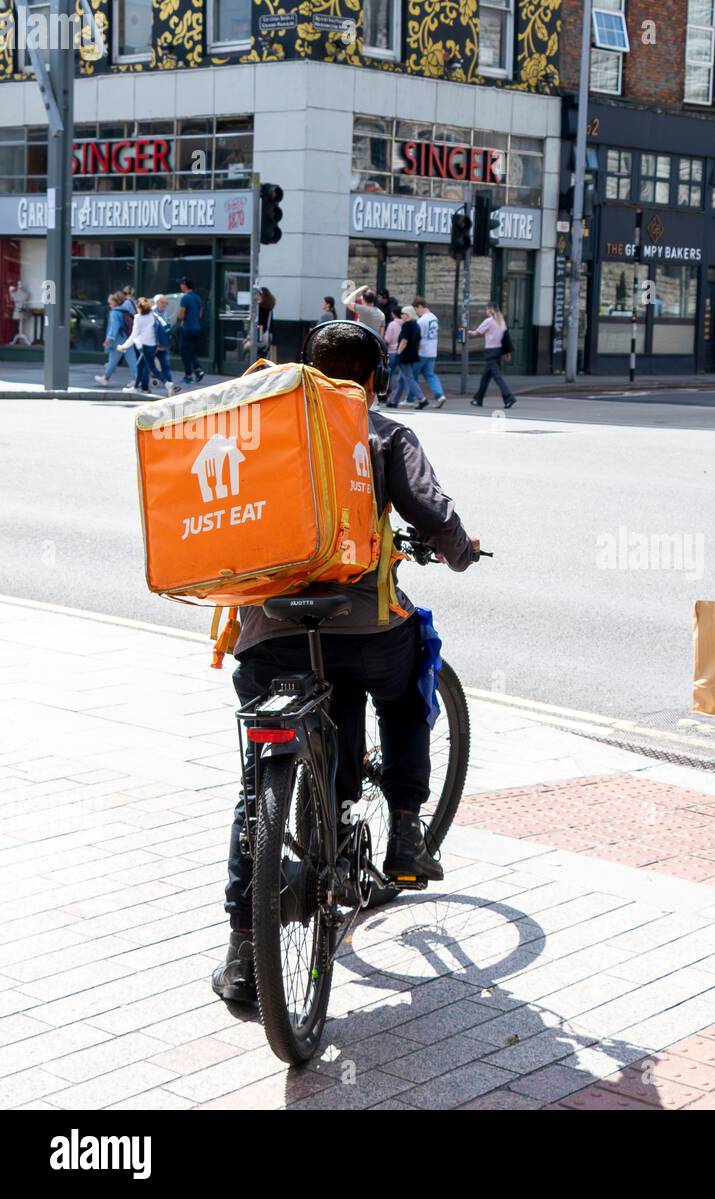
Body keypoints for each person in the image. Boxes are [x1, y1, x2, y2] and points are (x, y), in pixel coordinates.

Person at [211, 320, 481, 1005]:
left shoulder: (266, 426)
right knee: (407, 678)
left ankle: (245, 957)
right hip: (362, 630)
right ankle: (407, 835)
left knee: (255, 791)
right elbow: (430, 509)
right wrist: (458, 548)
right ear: (376, 378)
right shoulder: (384, 433)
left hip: (270, 631)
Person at [468, 304, 517, 409]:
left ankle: (509, 398)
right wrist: (506, 353)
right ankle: (478, 399)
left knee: (497, 377)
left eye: (486, 309)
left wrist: (468, 332)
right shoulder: (501, 321)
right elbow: (505, 339)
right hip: (498, 351)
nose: (486, 310)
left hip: (490, 352)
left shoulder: (489, 321)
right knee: (485, 377)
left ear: (490, 310)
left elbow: (477, 332)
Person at [117, 296, 167, 394]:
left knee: (150, 368)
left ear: (139, 308)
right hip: (153, 345)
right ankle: (141, 388)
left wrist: (123, 346)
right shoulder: (152, 315)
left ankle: (168, 383)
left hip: (146, 346)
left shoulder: (138, 318)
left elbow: (133, 335)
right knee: (142, 366)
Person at [94, 292, 138, 386]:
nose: (109, 304)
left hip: (117, 340)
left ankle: (106, 378)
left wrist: (109, 338)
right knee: (130, 359)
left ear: (115, 302)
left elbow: (114, 326)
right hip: (126, 338)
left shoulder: (114, 313)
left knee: (115, 360)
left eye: (110, 302)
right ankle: (106, 378)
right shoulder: (124, 311)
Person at [411, 298, 447, 410]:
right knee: (430, 375)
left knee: (411, 376)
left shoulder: (421, 321)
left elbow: (419, 338)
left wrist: (414, 351)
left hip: (422, 352)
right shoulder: (434, 318)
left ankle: (414, 398)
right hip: (432, 351)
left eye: (416, 309)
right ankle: (440, 395)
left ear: (420, 306)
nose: (416, 312)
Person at [394, 304, 425, 410]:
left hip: (405, 355)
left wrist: (398, 352)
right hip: (413, 354)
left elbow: (404, 340)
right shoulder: (416, 324)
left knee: (409, 378)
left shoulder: (406, 325)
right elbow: (420, 342)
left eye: (402, 314)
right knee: (401, 379)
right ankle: (394, 400)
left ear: (407, 315)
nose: (401, 315)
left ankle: (422, 398)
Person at [383, 303, 414, 408]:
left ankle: (387, 394)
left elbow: (387, 339)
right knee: (403, 377)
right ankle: (403, 398)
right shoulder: (406, 323)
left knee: (390, 375)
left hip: (393, 351)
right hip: (403, 352)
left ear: (393, 314)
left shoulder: (392, 324)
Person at [150, 294, 180, 397]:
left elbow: (166, 326)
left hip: (164, 343)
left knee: (165, 365)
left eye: (166, 303)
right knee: (147, 366)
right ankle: (142, 384)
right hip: (154, 344)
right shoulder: (152, 313)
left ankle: (170, 385)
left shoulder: (165, 312)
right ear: (157, 303)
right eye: (163, 303)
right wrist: (156, 341)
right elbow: (152, 329)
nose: (165, 305)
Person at [177, 276, 204, 383]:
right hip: (197, 328)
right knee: (191, 351)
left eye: (181, 284)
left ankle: (188, 376)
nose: (180, 286)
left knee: (185, 352)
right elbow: (200, 313)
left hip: (187, 328)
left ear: (184, 285)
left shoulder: (185, 298)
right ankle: (198, 370)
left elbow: (181, 315)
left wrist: (182, 318)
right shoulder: (197, 297)